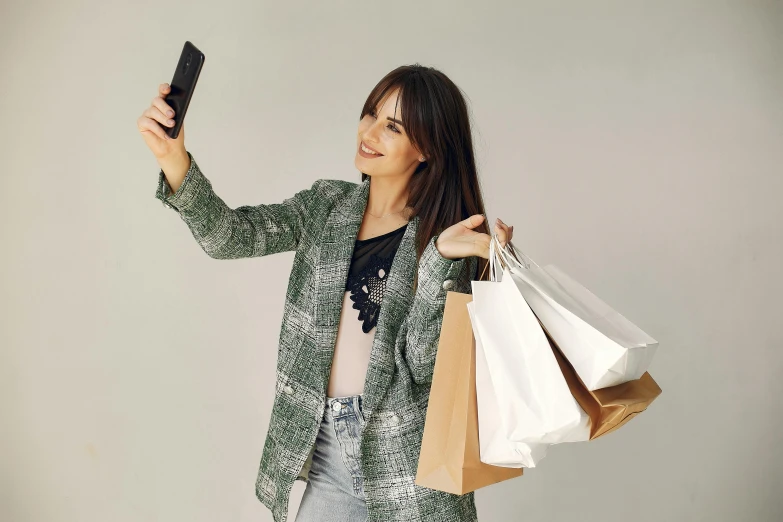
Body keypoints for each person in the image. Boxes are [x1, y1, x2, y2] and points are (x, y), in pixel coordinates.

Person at [137, 63, 514, 522]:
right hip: (328, 457)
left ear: (428, 149)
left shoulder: (443, 241)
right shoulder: (326, 207)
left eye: (392, 126)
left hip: (410, 468)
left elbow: (422, 365)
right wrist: (173, 157)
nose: (369, 132)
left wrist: (438, 261)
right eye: (371, 114)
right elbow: (230, 237)